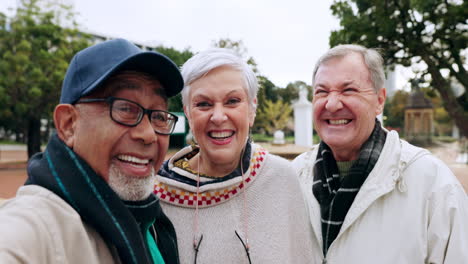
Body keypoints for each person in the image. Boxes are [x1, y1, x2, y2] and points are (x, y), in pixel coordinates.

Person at [0, 38, 183, 264]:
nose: (148, 134)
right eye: (125, 108)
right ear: (68, 125)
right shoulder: (36, 230)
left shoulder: (150, 221)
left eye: (159, 115)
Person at [292, 44, 468, 263]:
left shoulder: (433, 183)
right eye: (322, 91)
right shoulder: (292, 177)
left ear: (380, 100)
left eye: (348, 90)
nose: (333, 103)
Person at [154, 48, 315, 263]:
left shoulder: (282, 179)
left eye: (232, 101)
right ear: (188, 113)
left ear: (252, 109)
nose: (218, 117)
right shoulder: (157, 197)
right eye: (203, 104)